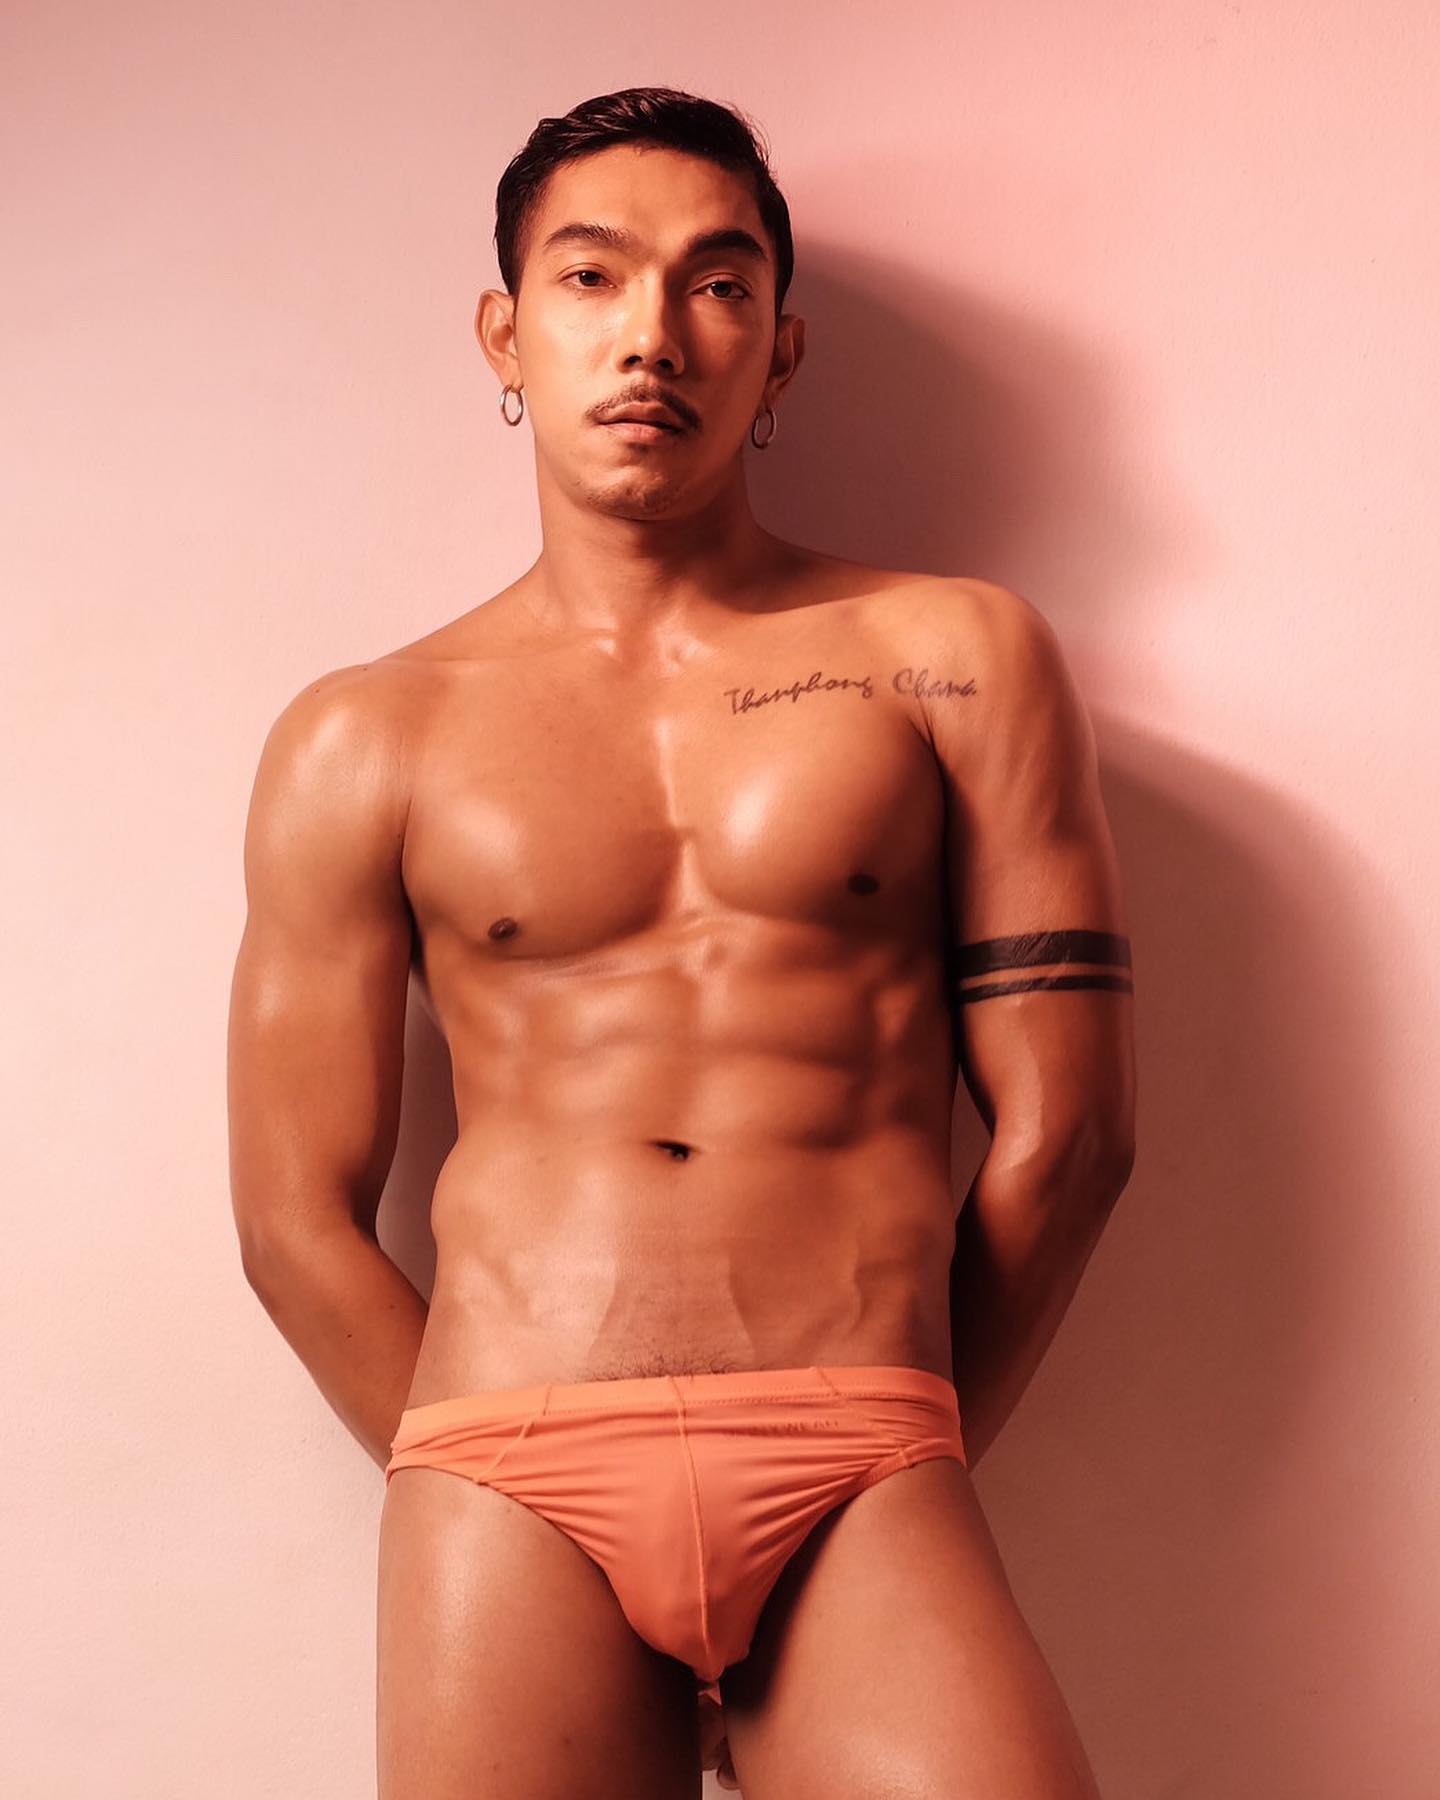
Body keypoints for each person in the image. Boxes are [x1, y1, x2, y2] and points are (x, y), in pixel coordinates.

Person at [227, 85, 1136, 1800]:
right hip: (507, 1465)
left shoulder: (952, 659)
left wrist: (913, 1440)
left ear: (778, 355)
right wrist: (469, 1469)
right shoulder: (368, 735)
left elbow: (1072, 1135)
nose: (651, 333)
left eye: (717, 285)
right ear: (506, 333)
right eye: (590, 277)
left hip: (863, 1447)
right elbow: (293, 1219)